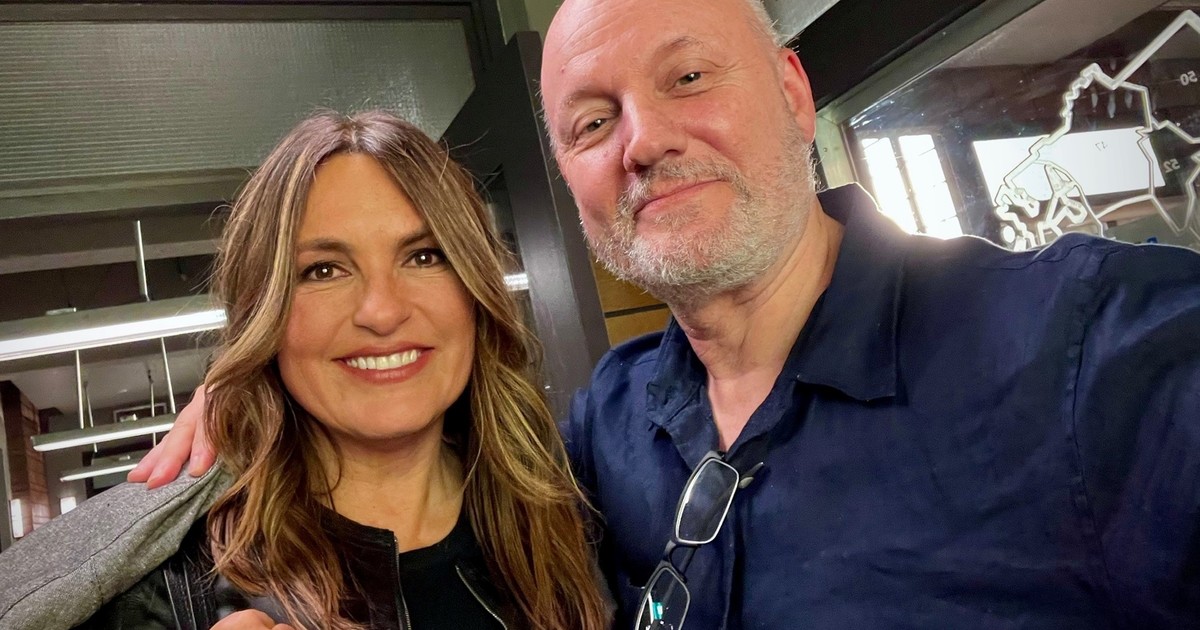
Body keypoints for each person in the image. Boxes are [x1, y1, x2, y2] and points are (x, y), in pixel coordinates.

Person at [133, 0, 1200, 628]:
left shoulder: (1086, 354)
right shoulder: (608, 432)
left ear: (793, 93)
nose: (643, 141)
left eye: (688, 77)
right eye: (593, 121)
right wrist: (246, 403)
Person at [0, 111, 611, 630]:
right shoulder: (162, 594)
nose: (382, 311)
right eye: (323, 270)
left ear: (475, 291)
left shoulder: (573, 508)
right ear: (265, 316)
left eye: (425, 256)